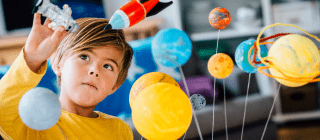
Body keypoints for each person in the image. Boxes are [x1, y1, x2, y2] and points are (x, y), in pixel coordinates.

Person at [0, 13, 133, 139]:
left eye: (107, 66)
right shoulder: (33, 123)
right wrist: (31, 60)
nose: (94, 70)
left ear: (115, 85)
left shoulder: (121, 130)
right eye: (84, 56)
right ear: (58, 63)